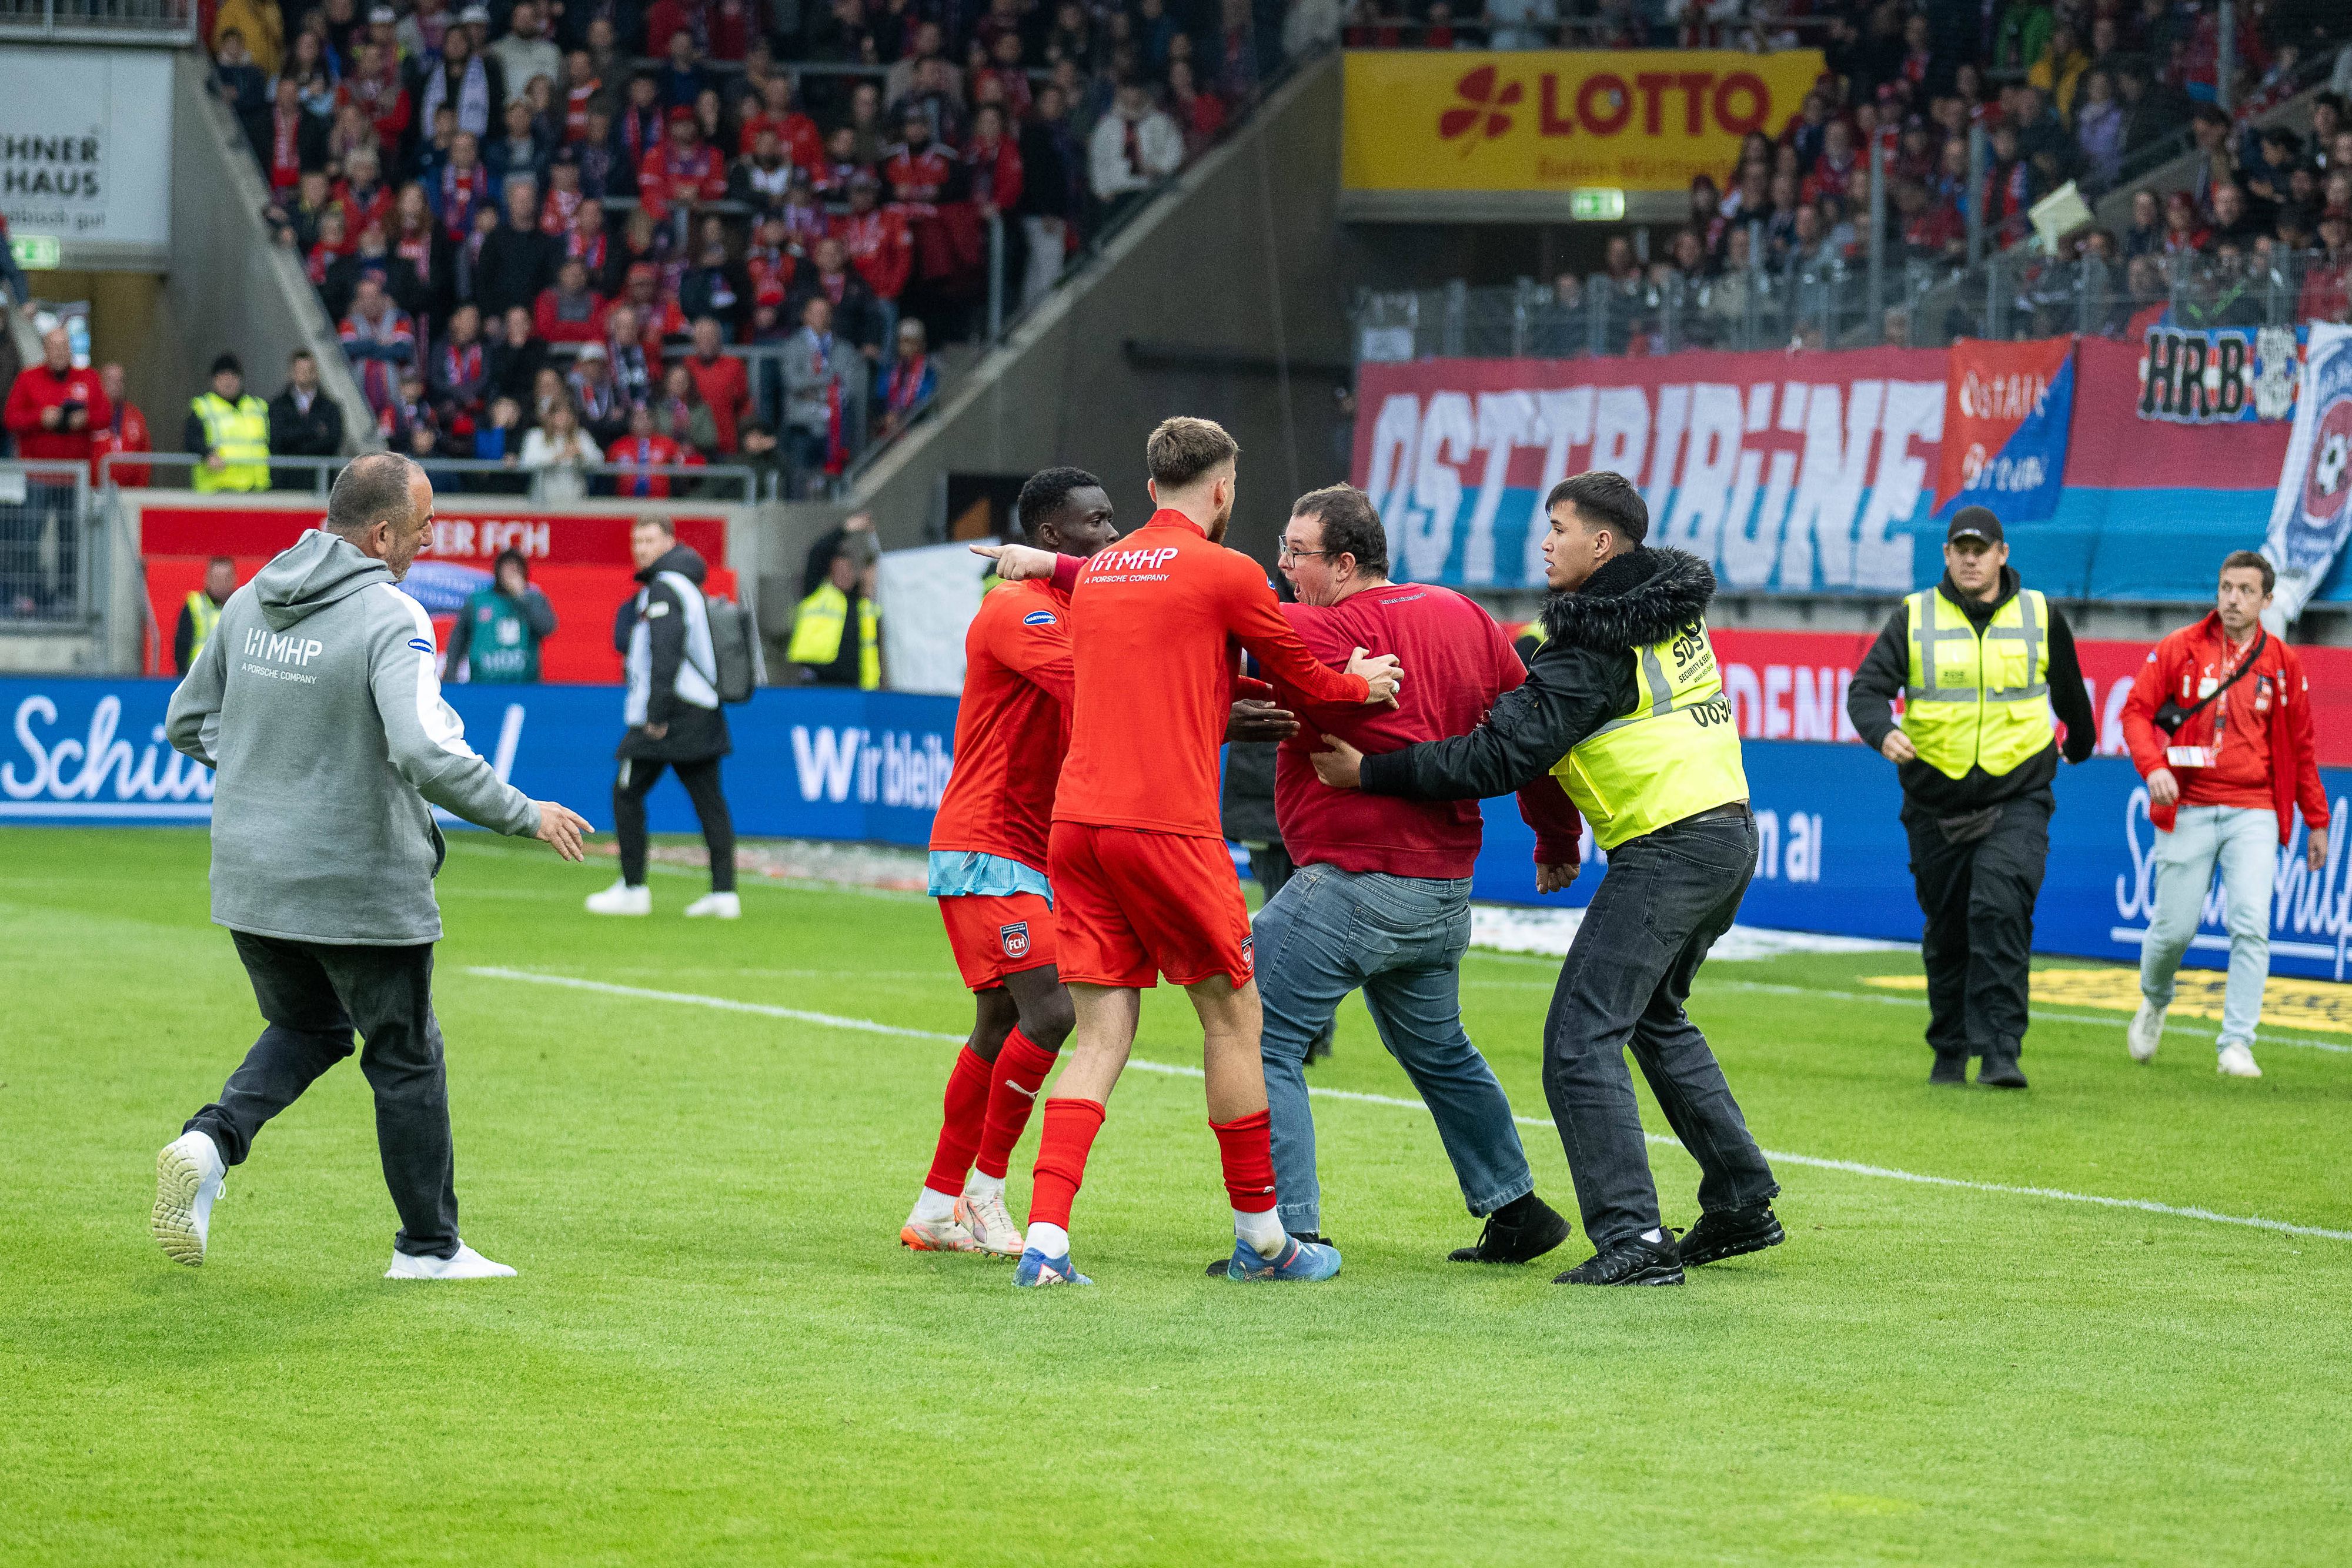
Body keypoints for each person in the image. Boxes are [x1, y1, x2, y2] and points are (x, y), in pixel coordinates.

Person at [1312, 471, 1779, 1287]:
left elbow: (1500, 755)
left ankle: (1633, 1235)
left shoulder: (1590, 641)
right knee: (1655, 1017)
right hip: (1727, 830)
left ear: (1603, 543)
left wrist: (1372, 771)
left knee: (1578, 1038)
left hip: (1668, 844)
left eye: (1559, 527)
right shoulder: (1664, 606)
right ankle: (1741, 1197)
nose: (1545, 541)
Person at [971, 417, 1400, 1288]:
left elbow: (1179, 662)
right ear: (1223, 487)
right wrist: (1366, 684)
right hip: (1166, 825)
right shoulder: (1226, 569)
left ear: (1148, 486)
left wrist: (1038, 561)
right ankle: (1266, 1239)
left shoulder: (1103, 575)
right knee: (1234, 1017)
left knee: (1099, 1032)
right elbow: (1302, 677)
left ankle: (1046, 1241)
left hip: (1078, 824)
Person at [153, 453, 590, 1279]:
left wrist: (264, 779)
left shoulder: (249, 597)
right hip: (357, 880)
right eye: (423, 525)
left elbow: (185, 721)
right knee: (405, 1054)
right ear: (383, 533)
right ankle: (428, 1248)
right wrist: (522, 811)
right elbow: (424, 747)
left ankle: (209, 1141)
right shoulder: (393, 616)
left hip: (251, 879)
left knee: (310, 1026)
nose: (430, 539)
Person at [1250, 484, 1581, 1264]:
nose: (1283, 567)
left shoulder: (1319, 626)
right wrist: (1555, 836)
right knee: (1441, 1051)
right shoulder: (1464, 615)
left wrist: (1069, 568)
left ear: (1345, 562)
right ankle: (1517, 1207)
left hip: (1356, 881)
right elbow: (1527, 731)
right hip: (1441, 892)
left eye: (1296, 553)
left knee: (1256, 1035)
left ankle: (1288, 1234)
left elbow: (1195, 608)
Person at [900, 467, 1123, 1256]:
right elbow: (1102, 691)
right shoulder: (1018, 607)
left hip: (1027, 845)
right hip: (988, 844)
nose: (1112, 533)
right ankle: (986, 1193)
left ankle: (934, 1204)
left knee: (1000, 1022)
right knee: (1053, 1011)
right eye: (1096, 522)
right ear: (1052, 537)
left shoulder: (1073, 603)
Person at [1844, 506, 2097, 1088]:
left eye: (1980, 548)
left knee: (1999, 908)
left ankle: (2002, 1049)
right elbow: (1866, 691)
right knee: (1949, 926)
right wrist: (1884, 732)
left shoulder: (2039, 615)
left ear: (2002, 555)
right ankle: (1951, 1047)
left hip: (2019, 794)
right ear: (1946, 555)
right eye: (1959, 547)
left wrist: (2078, 746)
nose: (1969, 557)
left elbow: (2070, 696)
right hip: (1934, 802)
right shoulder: (1913, 616)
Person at [2121, 551, 2330, 1079]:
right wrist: (2153, 768)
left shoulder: (2282, 663)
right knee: (2174, 930)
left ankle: (2236, 1042)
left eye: (2245, 590)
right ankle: (2155, 998)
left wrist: (2318, 819)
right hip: (2188, 803)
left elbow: (2303, 747)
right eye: (2226, 587)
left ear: (2266, 599)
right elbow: (2136, 713)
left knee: (2251, 923)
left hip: (2254, 809)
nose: (2233, 598)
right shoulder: (2180, 648)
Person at [587, 515, 739, 920]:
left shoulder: (665, 586)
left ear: (670, 542)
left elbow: (666, 650)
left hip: (672, 711)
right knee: (710, 802)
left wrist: (655, 713)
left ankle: (634, 888)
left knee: (626, 792)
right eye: (637, 541)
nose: (641, 548)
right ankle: (725, 893)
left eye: (650, 540)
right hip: (701, 706)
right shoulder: (683, 584)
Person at [445, 547, 557, 683]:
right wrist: (451, 674)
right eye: (507, 568)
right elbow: (458, 639)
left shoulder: (534, 599)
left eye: (516, 569)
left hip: (525, 685)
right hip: (483, 684)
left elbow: (548, 628)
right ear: (498, 571)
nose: (511, 573)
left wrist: (522, 598)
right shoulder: (478, 600)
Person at [787, 540, 879, 688]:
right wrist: (845, 529)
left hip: (856, 686)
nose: (845, 575)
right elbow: (817, 553)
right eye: (839, 570)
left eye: (848, 569)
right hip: (818, 681)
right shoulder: (815, 593)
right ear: (830, 574)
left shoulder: (863, 603)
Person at [185, 353, 273, 493]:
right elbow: (192, 440)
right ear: (214, 380)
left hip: (256, 490)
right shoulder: (203, 407)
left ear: (240, 379)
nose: (228, 381)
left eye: (233, 376)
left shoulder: (258, 407)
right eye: (223, 376)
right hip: (219, 490)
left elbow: (275, 441)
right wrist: (207, 455)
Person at [519, 394, 600, 500]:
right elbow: (526, 462)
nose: (564, 417)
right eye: (559, 413)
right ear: (550, 416)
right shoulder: (536, 436)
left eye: (568, 413)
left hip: (575, 501)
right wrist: (557, 457)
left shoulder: (582, 436)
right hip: (544, 503)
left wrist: (581, 455)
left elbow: (599, 460)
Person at [89, 363, 152, 488]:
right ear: (101, 383)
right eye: (111, 380)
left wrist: (140, 490)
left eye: (120, 381)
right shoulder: (89, 414)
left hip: (129, 494)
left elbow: (145, 453)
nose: (117, 385)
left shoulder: (135, 416)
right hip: (93, 492)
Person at [176, 556, 238, 677]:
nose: (222, 584)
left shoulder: (241, 607)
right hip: (196, 677)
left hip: (230, 679)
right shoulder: (194, 605)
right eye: (217, 579)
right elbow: (181, 648)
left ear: (234, 579)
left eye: (226, 578)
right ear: (207, 579)